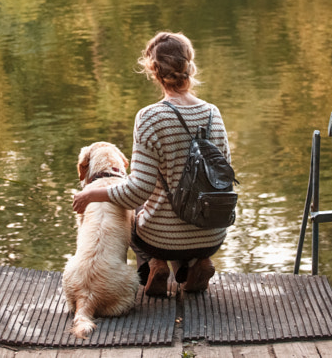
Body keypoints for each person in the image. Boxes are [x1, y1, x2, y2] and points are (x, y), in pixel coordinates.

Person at [72, 31, 232, 297]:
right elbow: (224, 178)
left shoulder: (149, 117)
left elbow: (137, 191)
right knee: (179, 208)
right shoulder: (213, 114)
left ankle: (153, 263)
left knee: (134, 211)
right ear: (190, 65)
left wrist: (92, 193)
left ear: (153, 70)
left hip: (162, 240)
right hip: (212, 234)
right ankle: (200, 262)